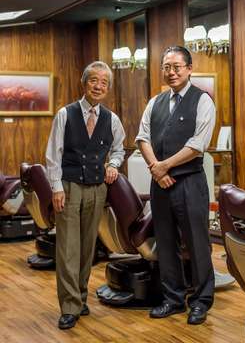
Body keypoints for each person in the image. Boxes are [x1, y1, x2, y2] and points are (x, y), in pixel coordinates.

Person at [136, 46, 216, 325]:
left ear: (189, 68)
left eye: (177, 67)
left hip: (190, 182)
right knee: (166, 243)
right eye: (166, 67)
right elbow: (142, 138)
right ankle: (172, 299)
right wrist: (157, 171)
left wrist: (164, 166)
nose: (171, 72)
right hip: (160, 183)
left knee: (197, 243)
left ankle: (201, 301)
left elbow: (197, 145)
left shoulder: (203, 100)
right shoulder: (155, 102)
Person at [46, 61, 125, 330]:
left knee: (87, 247)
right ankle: (69, 306)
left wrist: (113, 165)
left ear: (108, 88)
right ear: (84, 83)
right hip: (68, 187)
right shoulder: (65, 114)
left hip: (97, 188)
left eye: (104, 82)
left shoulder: (111, 119)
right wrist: (56, 187)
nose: (99, 86)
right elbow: (52, 155)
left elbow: (119, 149)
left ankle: (80, 297)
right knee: (68, 247)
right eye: (94, 80)